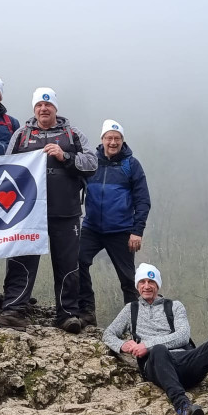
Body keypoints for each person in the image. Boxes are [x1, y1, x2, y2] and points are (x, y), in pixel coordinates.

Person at [0, 87, 96, 334]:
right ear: (34, 108)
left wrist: (65, 156)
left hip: (66, 211)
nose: (43, 109)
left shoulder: (72, 134)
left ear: (55, 108)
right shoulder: (22, 135)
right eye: (39, 105)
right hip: (27, 213)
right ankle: (14, 310)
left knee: (67, 263)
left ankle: (67, 314)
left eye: (48, 105)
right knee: (20, 259)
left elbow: (92, 164)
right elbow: (6, 167)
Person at [102, 263, 208, 415]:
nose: (146, 286)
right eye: (142, 282)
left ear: (157, 285)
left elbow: (183, 335)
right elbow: (108, 334)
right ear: (137, 286)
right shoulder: (130, 310)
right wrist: (123, 345)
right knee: (159, 350)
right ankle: (184, 408)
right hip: (156, 365)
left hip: (184, 362)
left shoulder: (174, 306)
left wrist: (146, 345)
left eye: (151, 282)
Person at [77, 119, 151, 327]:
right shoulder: (92, 161)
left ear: (122, 141)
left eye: (117, 138)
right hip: (92, 227)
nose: (113, 142)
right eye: (109, 138)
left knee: (128, 279)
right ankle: (86, 312)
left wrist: (137, 231)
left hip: (121, 230)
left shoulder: (131, 165)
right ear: (102, 140)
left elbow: (143, 200)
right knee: (77, 262)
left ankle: (136, 323)